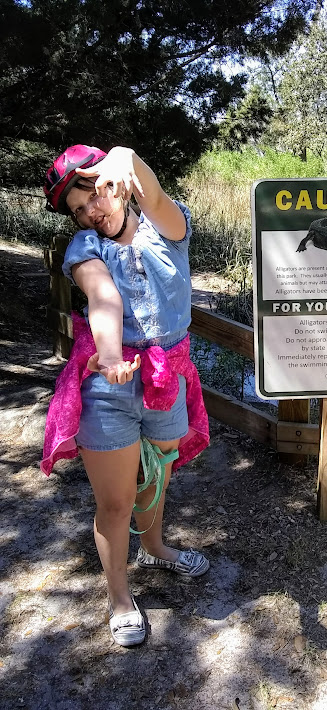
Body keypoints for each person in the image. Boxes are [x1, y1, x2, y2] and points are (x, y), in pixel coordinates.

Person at [40, 145, 210, 647]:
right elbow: (103, 296)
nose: (89, 211)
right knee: (114, 503)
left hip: (167, 377)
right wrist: (112, 357)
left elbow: (153, 193)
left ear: (116, 182)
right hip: (109, 383)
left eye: (91, 193)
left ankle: (154, 547)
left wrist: (124, 158)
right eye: (77, 208)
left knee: (155, 479)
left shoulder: (168, 228)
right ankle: (119, 597)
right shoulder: (84, 248)